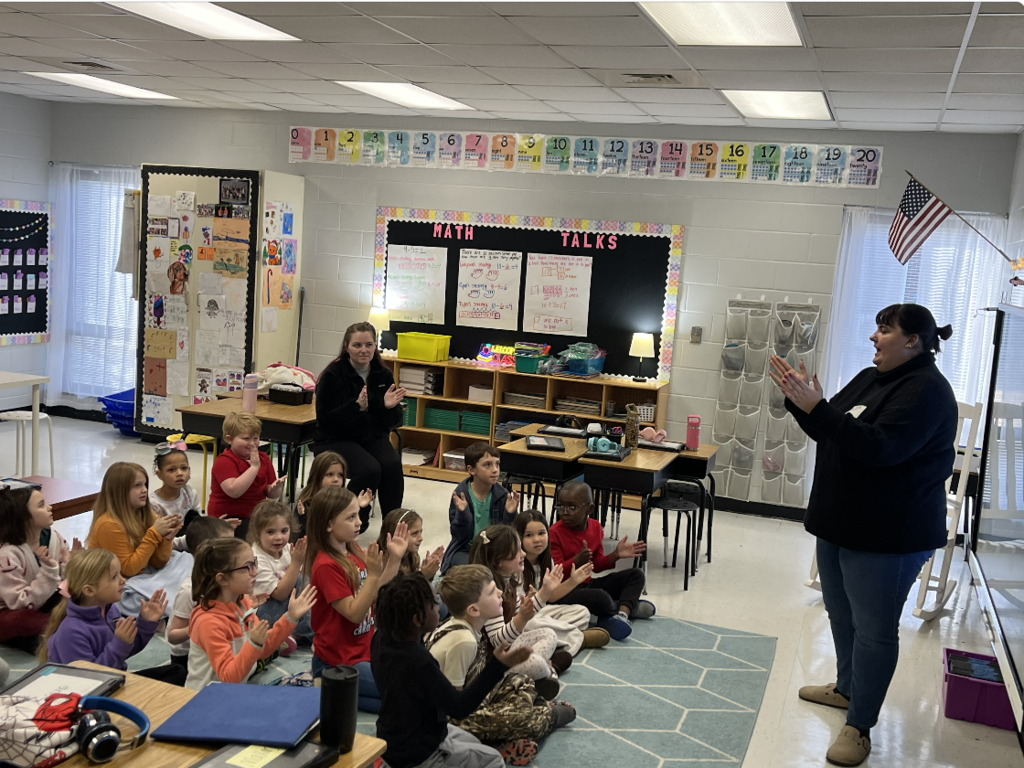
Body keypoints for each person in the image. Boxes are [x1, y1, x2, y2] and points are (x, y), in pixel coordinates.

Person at [768, 303, 957, 767]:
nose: (874, 337)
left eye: (884, 330)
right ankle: (847, 688)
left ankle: (860, 725)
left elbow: (882, 449)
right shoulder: (872, 377)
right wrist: (802, 403)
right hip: (841, 521)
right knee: (840, 613)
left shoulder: (926, 391)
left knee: (873, 630)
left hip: (887, 534)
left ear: (913, 340)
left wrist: (820, 410)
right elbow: (834, 431)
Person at [372, 572, 538, 768]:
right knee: (493, 760)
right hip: (420, 753)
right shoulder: (418, 661)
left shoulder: (382, 638)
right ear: (417, 619)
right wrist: (499, 665)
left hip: (394, 738)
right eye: (434, 603)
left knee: (475, 744)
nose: (439, 608)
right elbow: (460, 708)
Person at [428, 565, 576, 765]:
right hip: (449, 720)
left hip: (472, 699)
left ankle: (507, 735)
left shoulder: (469, 628)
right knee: (519, 718)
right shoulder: (463, 640)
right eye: (491, 591)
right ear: (473, 609)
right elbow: (455, 708)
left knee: (521, 681)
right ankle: (546, 716)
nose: (499, 592)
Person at [305, 486, 408, 711]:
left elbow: (373, 595)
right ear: (329, 524)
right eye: (351, 517)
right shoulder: (325, 566)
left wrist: (394, 561)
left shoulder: (353, 551)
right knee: (402, 697)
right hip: (338, 662)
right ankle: (329, 686)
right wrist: (372, 574)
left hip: (364, 651)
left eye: (358, 515)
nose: (359, 522)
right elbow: (353, 613)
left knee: (405, 692)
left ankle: (332, 692)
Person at [186, 537, 316, 690]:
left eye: (254, 563)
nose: (255, 571)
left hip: (234, 692)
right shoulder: (208, 622)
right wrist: (253, 643)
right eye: (247, 567)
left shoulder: (243, 604)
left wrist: (290, 617)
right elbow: (229, 677)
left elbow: (263, 649)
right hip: (207, 700)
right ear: (222, 578)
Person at [40, 548, 186, 685]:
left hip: (114, 680)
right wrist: (119, 645)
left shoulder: (111, 611)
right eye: (114, 577)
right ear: (89, 590)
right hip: (91, 696)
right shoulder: (71, 632)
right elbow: (89, 680)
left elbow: (127, 649)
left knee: (177, 672)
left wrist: (146, 623)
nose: (123, 580)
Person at [314, 322, 406, 532]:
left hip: (370, 437)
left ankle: (392, 527)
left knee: (391, 465)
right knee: (369, 469)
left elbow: (393, 422)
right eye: (357, 345)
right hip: (335, 438)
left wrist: (387, 407)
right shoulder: (333, 375)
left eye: (368, 344)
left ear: (375, 346)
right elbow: (325, 421)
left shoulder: (382, 374)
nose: (363, 350)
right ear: (346, 346)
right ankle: (353, 522)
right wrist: (355, 407)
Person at [548, 482, 655, 641]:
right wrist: (576, 561)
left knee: (636, 575)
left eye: (572, 507)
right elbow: (554, 573)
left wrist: (615, 555)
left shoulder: (595, 527)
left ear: (589, 509)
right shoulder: (554, 532)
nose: (564, 512)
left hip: (586, 584)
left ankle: (621, 614)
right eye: (560, 506)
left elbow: (596, 565)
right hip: (564, 590)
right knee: (600, 597)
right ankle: (624, 607)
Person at [468, 525, 565, 699]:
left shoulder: (508, 581)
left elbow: (519, 614)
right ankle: (544, 672)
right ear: (497, 562)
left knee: (549, 634)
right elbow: (498, 641)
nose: (524, 554)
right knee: (537, 664)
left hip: (507, 650)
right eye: (517, 551)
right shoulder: (490, 592)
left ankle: (542, 673)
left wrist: (544, 592)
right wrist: (521, 618)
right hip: (490, 663)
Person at [88, 462, 191, 619]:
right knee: (133, 598)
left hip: (144, 571)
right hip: (120, 579)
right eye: (137, 486)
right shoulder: (108, 524)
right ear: (120, 491)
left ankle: (181, 605)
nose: (144, 490)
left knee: (186, 559)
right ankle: (173, 614)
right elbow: (129, 569)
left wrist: (166, 539)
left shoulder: (144, 512)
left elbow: (159, 562)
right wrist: (154, 534)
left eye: (144, 485)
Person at [515, 509, 611, 650]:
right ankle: (577, 638)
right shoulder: (516, 564)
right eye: (529, 535)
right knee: (532, 624)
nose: (537, 539)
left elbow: (552, 597)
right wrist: (529, 600)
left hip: (541, 612)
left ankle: (556, 637)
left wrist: (574, 580)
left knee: (582, 612)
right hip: (522, 616)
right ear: (518, 538)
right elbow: (516, 610)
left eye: (541, 533)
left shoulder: (548, 561)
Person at [0, 487, 79, 650]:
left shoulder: (53, 537)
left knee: (81, 594)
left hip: (44, 601)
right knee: (18, 621)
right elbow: (19, 603)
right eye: (41, 505)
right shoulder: (8, 555)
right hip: (14, 609)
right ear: (24, 518)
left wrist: (70, 564)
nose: (49, 507)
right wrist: (49, 571)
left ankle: (58, 627)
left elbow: (63, 584)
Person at [165, 516, 236, 670]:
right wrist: (195, 628)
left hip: (211, 645)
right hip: (187, 656)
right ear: (202, 551)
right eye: (225, 546)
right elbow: (172, 636)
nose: (233, 551)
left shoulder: (223, 578)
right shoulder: (189, 589)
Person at [441, 442, 520, 573]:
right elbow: (459, 536)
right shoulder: (461, 496)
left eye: (497, 464)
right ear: (471, 470)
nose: (495, 469)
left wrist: (509, 514)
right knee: (472, 572)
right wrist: (463, 514)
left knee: (510, 566)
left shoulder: (503, 496)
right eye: (487, 465)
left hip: (493, 550)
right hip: (466, 549)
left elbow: (507, 535)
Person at [150, 441, 240, 551]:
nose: (179, 473)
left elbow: (196, 525)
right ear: (160, 474)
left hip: (190, 542)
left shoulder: (190, 493)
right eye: (171, 470)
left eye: (183, 468)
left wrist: (214, 527)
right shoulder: (154, 504)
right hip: (168, 549)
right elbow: (156, 541)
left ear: (189, 469)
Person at [208, 412, 285, 541]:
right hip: (228, 517)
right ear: (229, 439)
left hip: (254, 516)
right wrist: (254, 468)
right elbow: (234, 491)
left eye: (255, 438)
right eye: (246, 438)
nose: (252, 443)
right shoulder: (224, 461)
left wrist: (276, 489)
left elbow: (270, 493)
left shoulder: (263, 458)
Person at [249, 500, 312, 650]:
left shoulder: (285, 549)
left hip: (283, 607)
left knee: (308, 581)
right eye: (271, 532)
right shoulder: (255, 558)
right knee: (300, 581)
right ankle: (309, 634)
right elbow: (280, 594)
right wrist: (296, 563)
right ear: (258, 533)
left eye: (284, 531)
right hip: (261, 613)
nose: (278, 537)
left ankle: (293, 633)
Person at [295, 451, 372, 537]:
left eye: (340, 475)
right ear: (316, 476)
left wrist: (360, 507)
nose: (336, 479)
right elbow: (304, 534)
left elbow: (358, 529)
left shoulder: (344, 501)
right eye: (330, 474)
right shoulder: (306, 503)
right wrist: (302, 516)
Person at [377, 508, 444, 581]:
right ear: (396, 535)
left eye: (420, 532)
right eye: (414, 534)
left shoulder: (411, 555)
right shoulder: (384, 563)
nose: (421, 538)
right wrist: (423, 576)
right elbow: (399, 591)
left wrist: (429, 569)